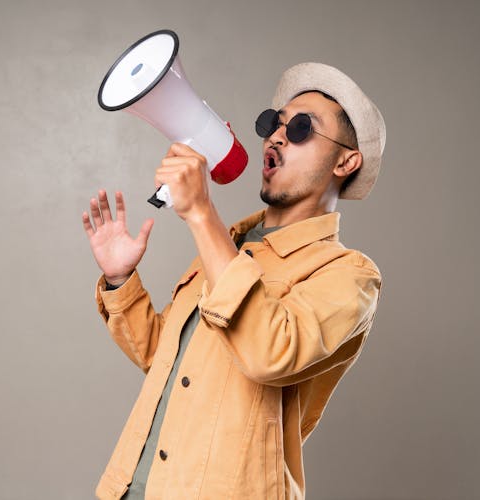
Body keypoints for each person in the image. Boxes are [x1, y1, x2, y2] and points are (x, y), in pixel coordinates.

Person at [81, 62, 386, 500]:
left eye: (301, 128)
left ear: (346, 161)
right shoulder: (232, 246)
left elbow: (268, 353)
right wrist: (120, 279)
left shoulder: (351, 276)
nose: (277, 135)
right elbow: (165, 358)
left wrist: (202, 214)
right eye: (272, 123)